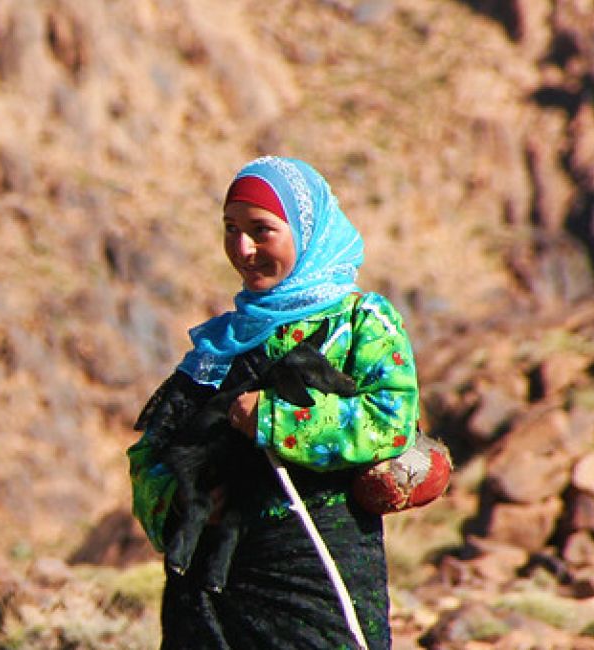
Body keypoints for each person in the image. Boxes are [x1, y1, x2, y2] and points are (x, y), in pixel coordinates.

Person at [127, 156, 420, 649]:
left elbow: (391, 420)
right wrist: (181, 501)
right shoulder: (217, 347)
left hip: (314, 573)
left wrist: (272, 419)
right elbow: (150, 454)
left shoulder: (360, 322)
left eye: (261, 231)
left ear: (306, 232)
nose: (242, 249)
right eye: (230, 230)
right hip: (207, 589)